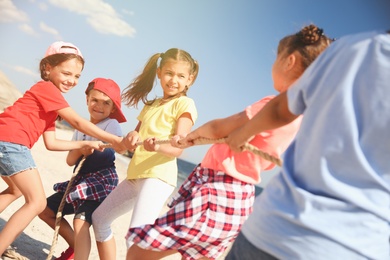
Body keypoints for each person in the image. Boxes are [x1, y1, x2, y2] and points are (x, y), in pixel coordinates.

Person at [124, 24, 333, 260]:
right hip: (240, 201)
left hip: (217, 190)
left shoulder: (272, 106)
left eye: (277, 57)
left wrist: (188, 139)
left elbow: (219, 128)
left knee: (138, 253)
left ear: (289, 61)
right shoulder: (303, 119)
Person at [225, 29, 390, 260]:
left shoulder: (353, 48)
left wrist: (243, 133)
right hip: (358, 247)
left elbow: (281, 108)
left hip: (275, 229)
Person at [0, 41, 127, 255]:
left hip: (6, 141)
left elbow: (52, 143)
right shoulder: (47, 89)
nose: (71, 80)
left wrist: (83, 144)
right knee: (38, 202)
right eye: (67, 73)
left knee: (16, 190)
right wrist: (114, 141)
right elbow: (77, 122)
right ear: (48, 68)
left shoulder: (50, 105)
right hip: (12, 142)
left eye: (77, 76)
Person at [92, 48, 199, 260]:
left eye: (180, 76)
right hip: (136, 174)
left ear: (190, 79)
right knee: (100, 218)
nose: (173, 80)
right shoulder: (152, 104)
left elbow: (179, 147)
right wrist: (131, 136)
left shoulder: (185, 104)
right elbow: (135, 136)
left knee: (136, 239)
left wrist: (157, 147)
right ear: (159, 73)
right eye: (169, 73)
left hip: (158, 177)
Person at [38, 78, 126, 260]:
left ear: (113, 109)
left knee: (80, 221)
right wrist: (82, 147)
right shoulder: (81, 128)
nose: (99, 106)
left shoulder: (111, 125)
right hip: (81, 182)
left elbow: (116, 144)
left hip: (101, 181)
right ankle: (77, 247)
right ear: (87, 100)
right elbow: (70, 161)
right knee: (45, 210)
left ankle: (80, 255)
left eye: (106, 103)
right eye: (95, 100)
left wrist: (96, 146)